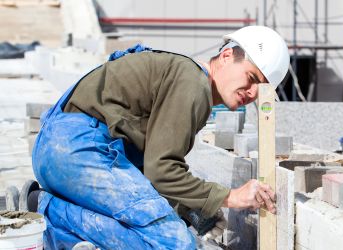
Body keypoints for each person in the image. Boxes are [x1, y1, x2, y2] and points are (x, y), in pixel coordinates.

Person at [30, 25, 290, 249]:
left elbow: (145, 171)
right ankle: (47, 212)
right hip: (77, 150)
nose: (253, 92)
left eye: (262, 88)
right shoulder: (193, 84)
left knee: (150, 230)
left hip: (61, 149)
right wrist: (228, 197)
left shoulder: (182, 77)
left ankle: (55, 216)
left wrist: (192, 209)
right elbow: (161, 171)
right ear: (226, 56)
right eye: (252, 77)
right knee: (173, 244)